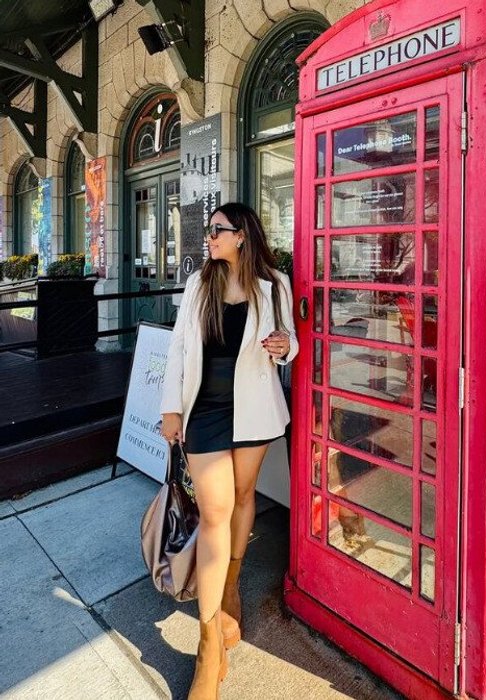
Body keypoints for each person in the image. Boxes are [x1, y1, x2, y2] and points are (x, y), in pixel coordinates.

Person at [159, 202, 297, 699]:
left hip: (255, 411)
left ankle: (232, 580)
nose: (208, 237)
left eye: (217, 230)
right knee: (215, 512)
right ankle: (207, 642)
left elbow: (292, 341)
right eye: (209, 231)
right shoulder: (200, 284)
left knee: (243, 499)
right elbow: (178, 347)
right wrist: (170, 408)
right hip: (206, 413)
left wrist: (286, 346)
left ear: (242, 236)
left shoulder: (273, 284)